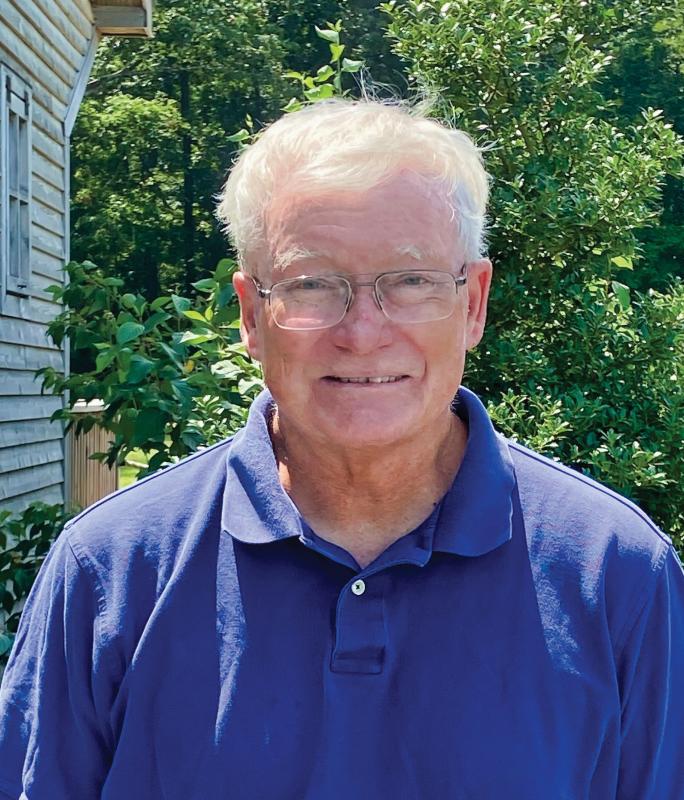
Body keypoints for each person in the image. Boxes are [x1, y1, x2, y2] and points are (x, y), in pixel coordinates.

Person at [1, 99, 683, 799]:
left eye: (411, 281)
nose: (362, 333)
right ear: (251, 315)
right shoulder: (109, 573)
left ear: (473, 304)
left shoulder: (617, 574)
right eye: (312, 285)